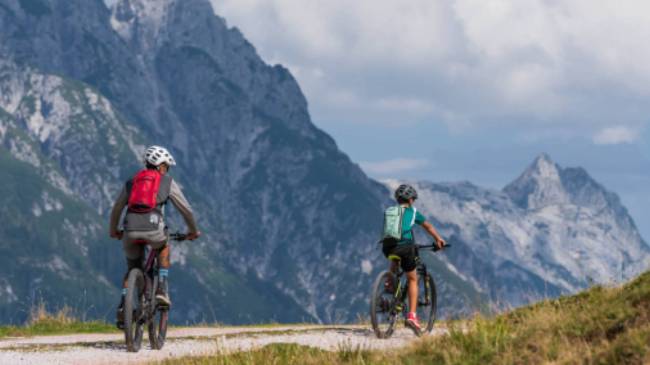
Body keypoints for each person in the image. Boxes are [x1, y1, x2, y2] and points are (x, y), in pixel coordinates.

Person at [109, 145, 200, 329]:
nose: (166, 170)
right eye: (166, 166)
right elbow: (186, 210)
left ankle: (123, 304)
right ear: (160, 166)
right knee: (163, 246)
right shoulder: (166, 182)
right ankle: (161, 289)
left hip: (129, 230)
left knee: (132, 267)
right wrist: (193, 231)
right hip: (155, 230)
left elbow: (117, 208)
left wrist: (114, 230)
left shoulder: (132, 181)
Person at [382, 184, 445, 334]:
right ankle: (412, 316)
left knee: (396, 258)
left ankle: (389, 282)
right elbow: (428, 226)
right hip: (406, 247)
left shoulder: (390, 211)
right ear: (410, 200)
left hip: (387, 247)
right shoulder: (412, 211)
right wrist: (438, 239)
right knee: (412, 279)